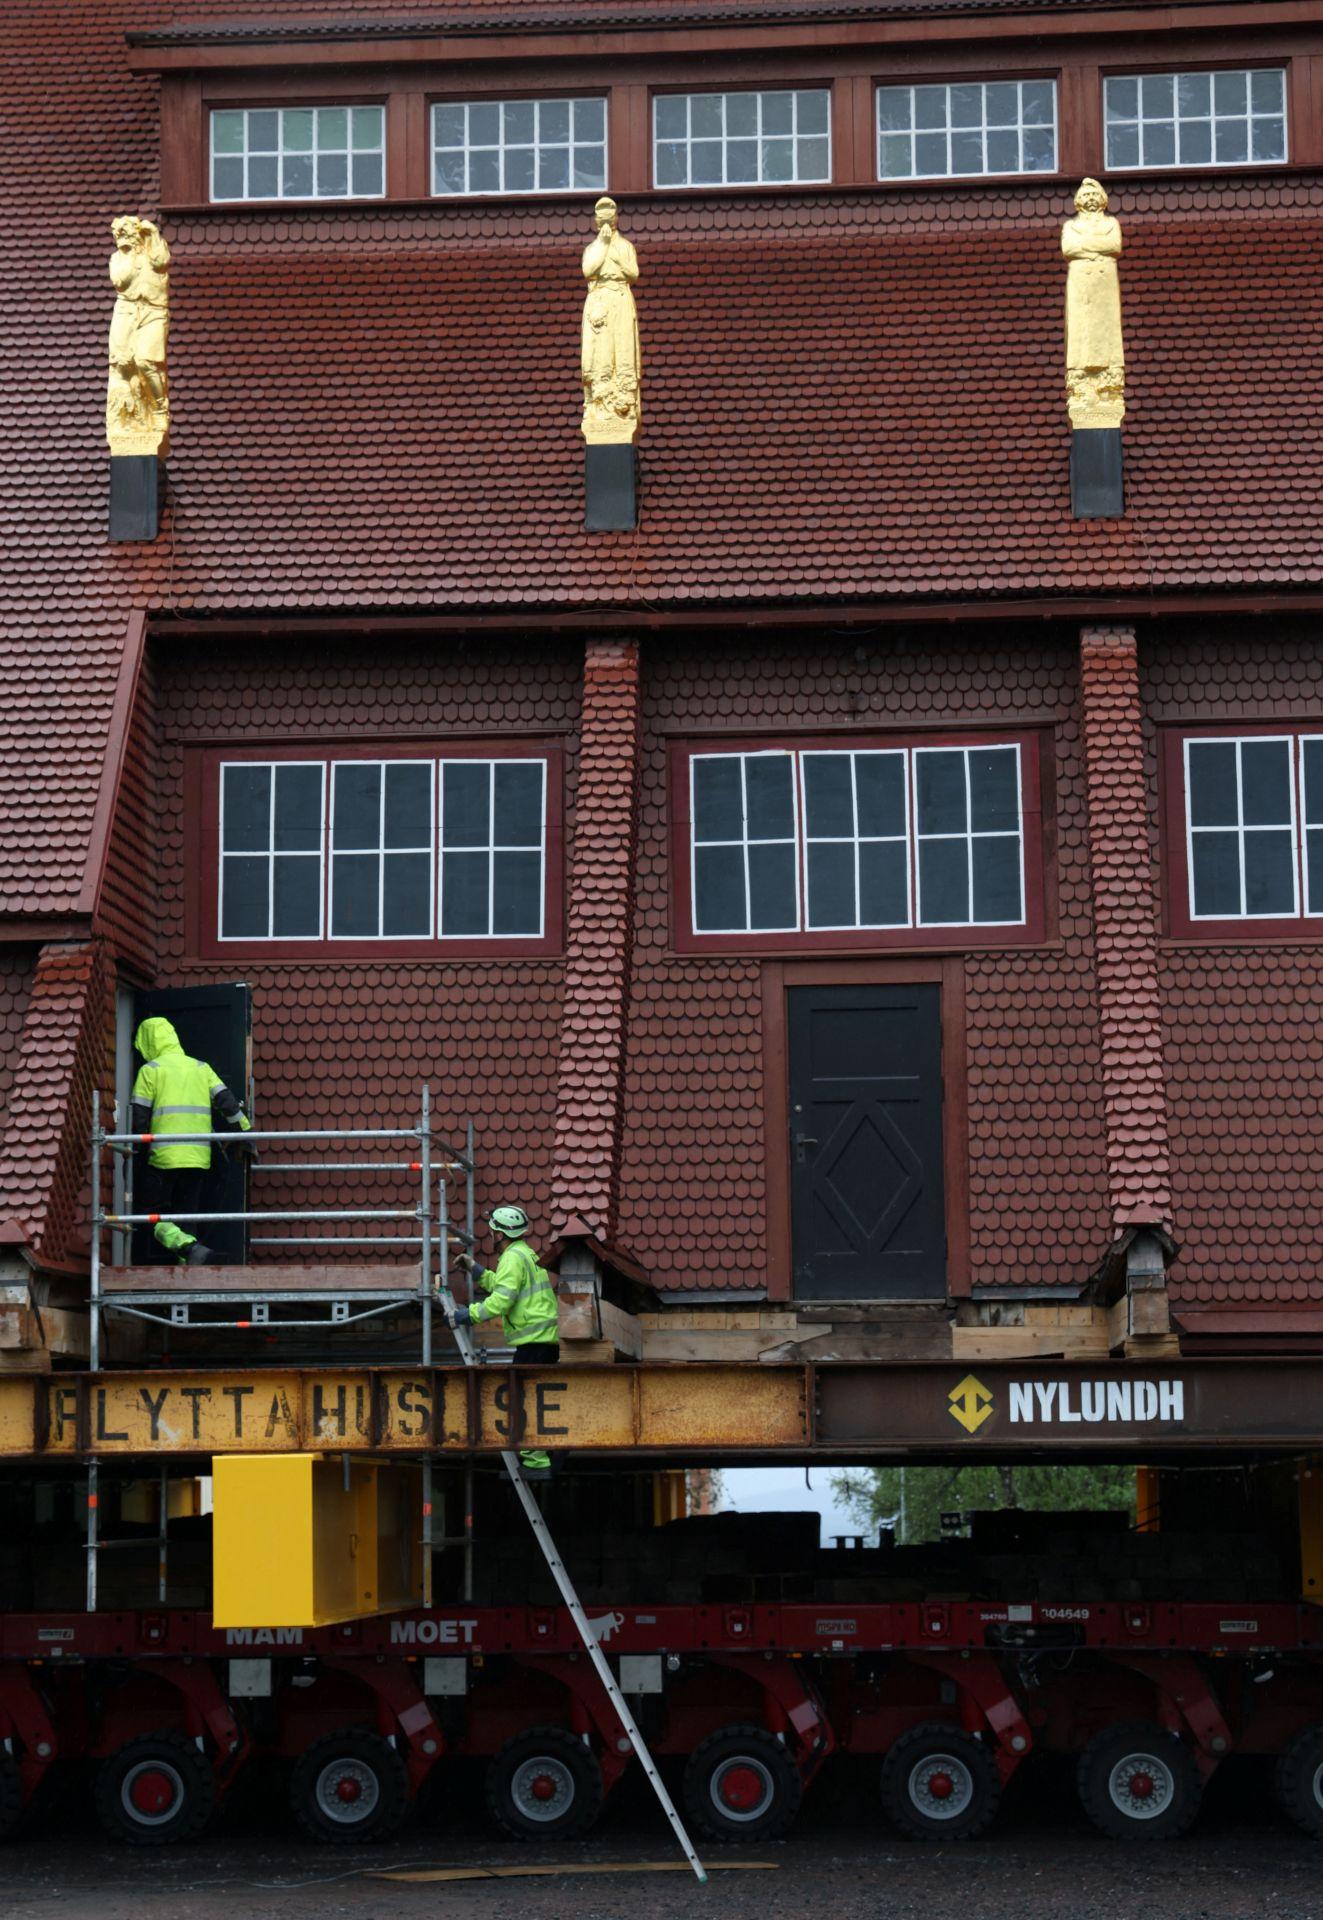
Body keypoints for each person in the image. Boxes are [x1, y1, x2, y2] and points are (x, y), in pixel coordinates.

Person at [130, 1017, 253, 1264]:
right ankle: (190, 1265)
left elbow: (138, 1121)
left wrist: (134, 1153)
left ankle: (186, 1247)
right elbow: (228, 1104)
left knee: (151, 1215)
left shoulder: (150, 1071)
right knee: (188, 1216)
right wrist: (246, 1137)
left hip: (163, 1158)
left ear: (146, 1042)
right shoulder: (201, 1068)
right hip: (198, 1157)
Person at [455, 1205, 559, 1478]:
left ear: (499, 1234)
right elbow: (503, 1285)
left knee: (521, 1402)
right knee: (532, 1399)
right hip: (542, 1342)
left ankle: (536, 1461)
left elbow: (502, 1299)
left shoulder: (512, 1258)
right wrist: (476, 1270)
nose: (490, 1234)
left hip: (533, 1343)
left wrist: (470, 1315)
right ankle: (542, 1456)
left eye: (492, 1230)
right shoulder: (525, 1253)